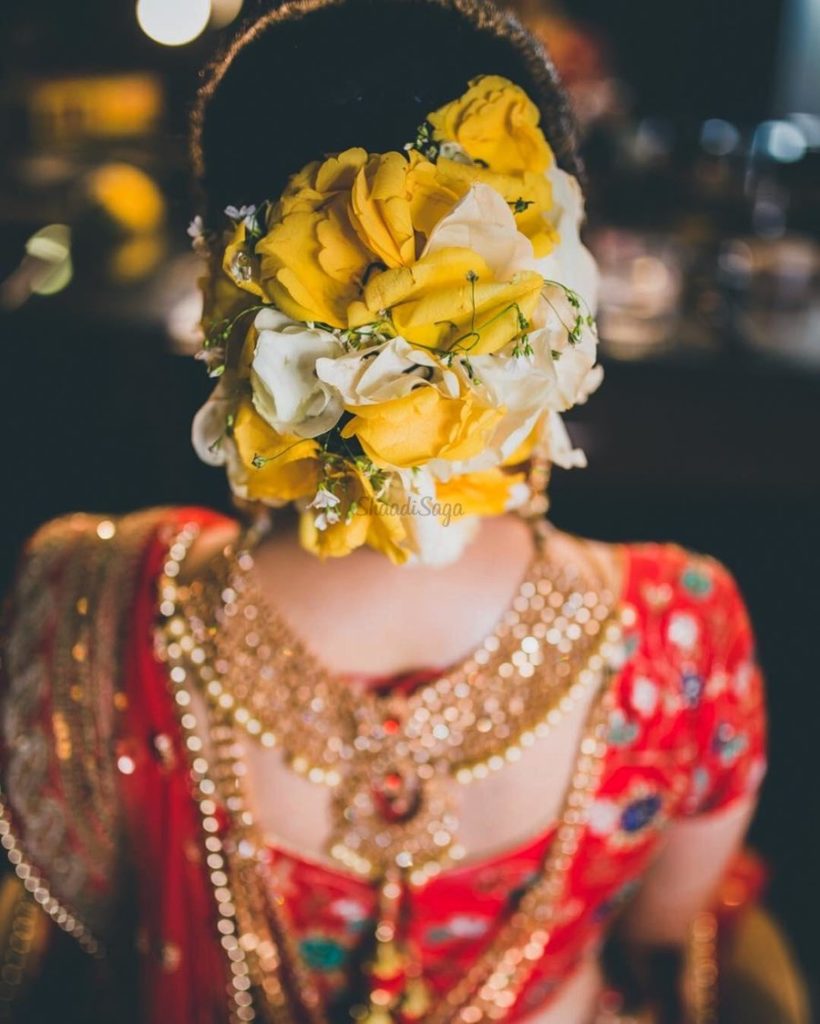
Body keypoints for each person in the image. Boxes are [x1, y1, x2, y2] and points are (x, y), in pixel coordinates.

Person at [0, 1, 777, 1022]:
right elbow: (661, 936)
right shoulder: (682, 630)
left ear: (225, 295)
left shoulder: (89, 600)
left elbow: (94, 939)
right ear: (551, 286)